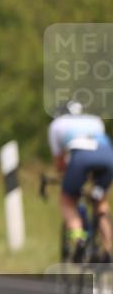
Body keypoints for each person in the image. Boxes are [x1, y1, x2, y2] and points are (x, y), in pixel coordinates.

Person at [48, 100, 113, 263]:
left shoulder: (57, 124)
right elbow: (98, 148)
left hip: (80, 159)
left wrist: (68, 176)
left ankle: (79, 242)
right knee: (100, 201)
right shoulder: (95, 120)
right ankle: (107, 250)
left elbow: (60, 164)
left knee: (68, 201)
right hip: (108, 158)